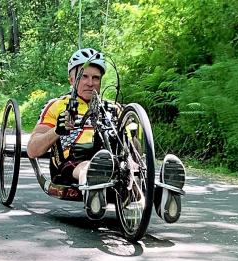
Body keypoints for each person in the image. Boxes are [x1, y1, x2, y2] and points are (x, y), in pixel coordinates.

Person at [27, 48, 186, 223]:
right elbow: (33, 150)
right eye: (83, 76)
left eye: (96, 78)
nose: (90, 83)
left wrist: (132, 140)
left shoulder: (114, 108)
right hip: (70, 163)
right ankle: (94, 181)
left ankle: (164, 195)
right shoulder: (57, 106)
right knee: (88, 166)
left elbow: (136, 150)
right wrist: (57, 130)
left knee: (131, 166)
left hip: (115, 163)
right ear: (71, 80)